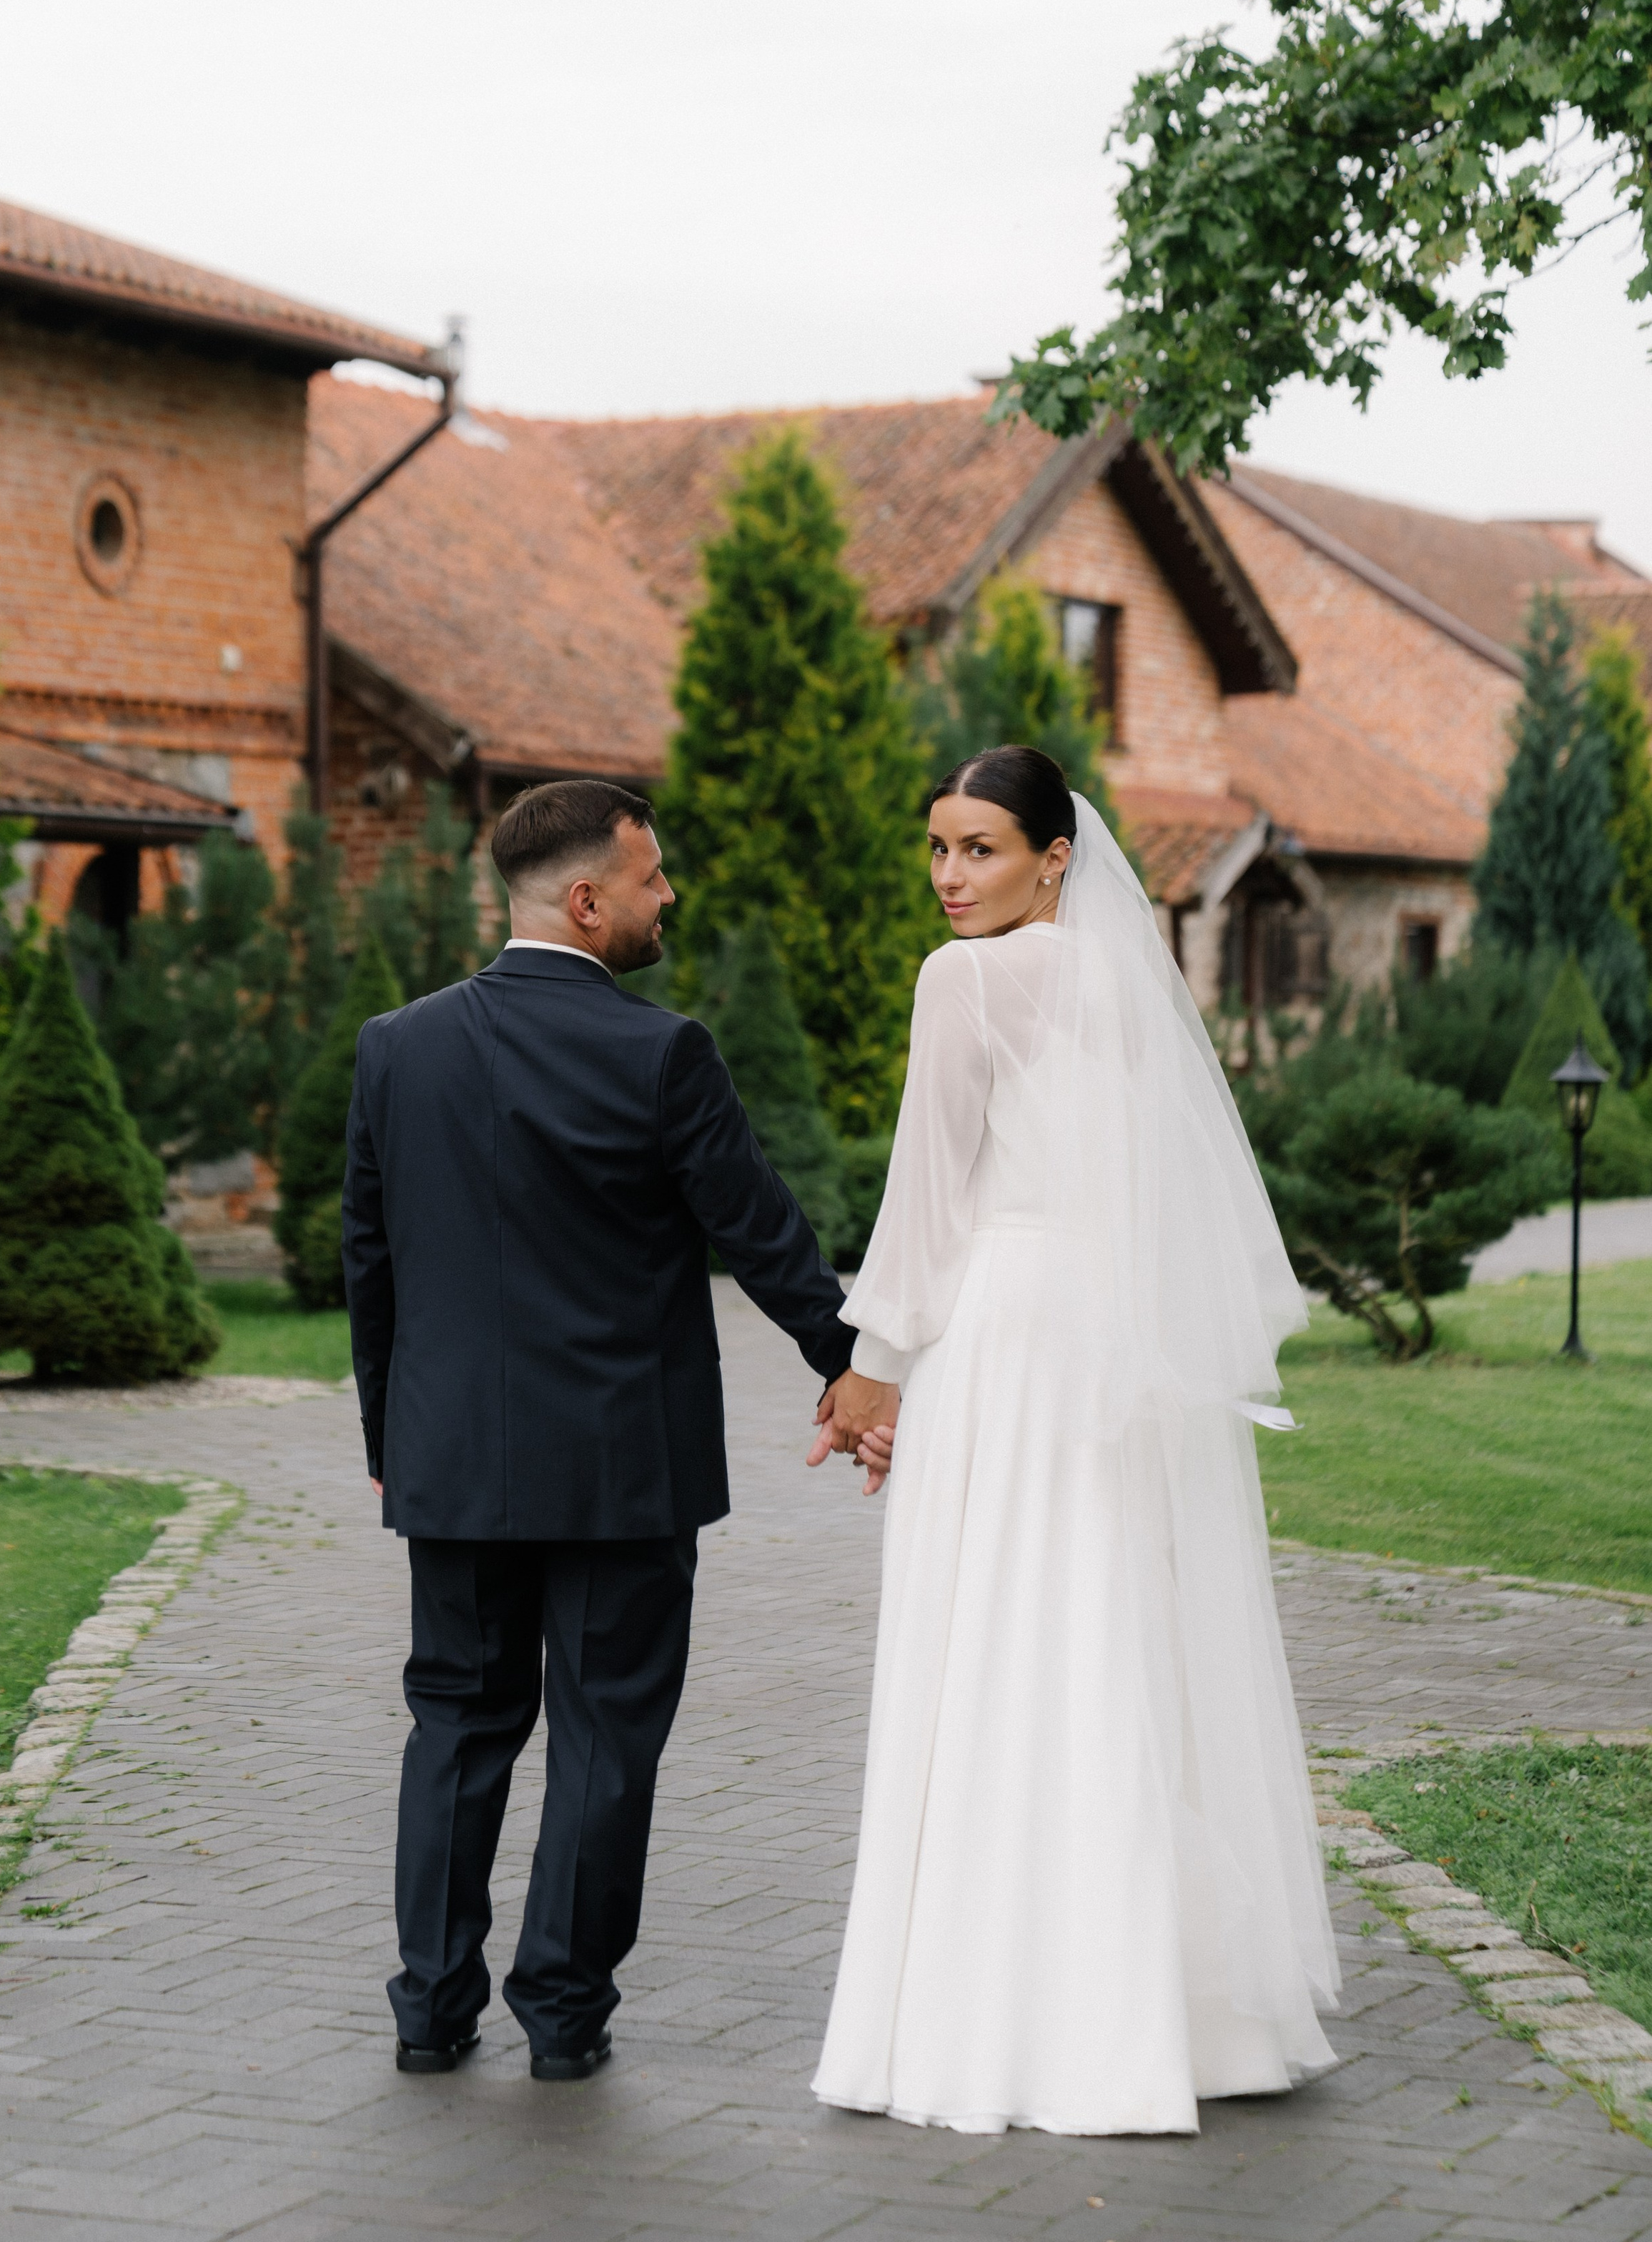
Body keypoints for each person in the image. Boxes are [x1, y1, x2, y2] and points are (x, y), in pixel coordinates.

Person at [812, 746, 1339, 2137]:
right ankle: (1155, 2012)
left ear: (1055, 857)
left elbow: (926, 1197)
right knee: (1105, 1638)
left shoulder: (966, 981)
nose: (945, 878)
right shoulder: (1121, 983)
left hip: (1004, 1335)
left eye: (977, 849)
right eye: (934, 848)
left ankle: (1002, 2015)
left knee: (992, 1641)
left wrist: (870, 1374)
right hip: (1108, 1345)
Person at [344, 777, 895, 2083]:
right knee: (603, 1737)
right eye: (651, 879)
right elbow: (761, 1232)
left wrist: (390, 1434)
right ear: (587, 901)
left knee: (458, 1724)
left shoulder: (396, 1046)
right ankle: (563, 2015)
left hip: (456, 1463)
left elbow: (370, 1261)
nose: (668, 898)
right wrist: (854, 1369)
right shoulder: (663, 1052)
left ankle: (429, 2010)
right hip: (620, 1471)